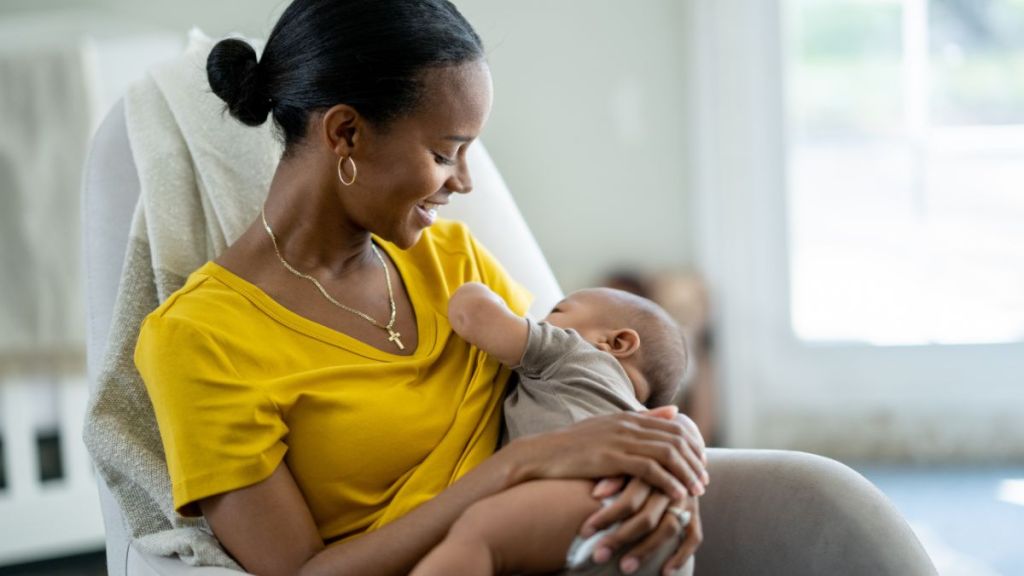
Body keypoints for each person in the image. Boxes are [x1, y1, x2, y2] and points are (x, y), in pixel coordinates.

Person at [134, 1, 708, 575]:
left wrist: (662, 458)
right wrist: (519, 468)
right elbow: (301, 571)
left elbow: (574, 385)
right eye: (443, 154)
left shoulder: (457, 263)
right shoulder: (199, 340)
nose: (463, 182)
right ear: (346, 132)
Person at [410, 283, 698, 576]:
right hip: (661, 528)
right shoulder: (639, 413)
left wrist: (473, 290)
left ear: (616, 343)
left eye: (556, 311)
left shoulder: (572, 351)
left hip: (585, 494)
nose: (538, 320)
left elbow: (472, 316)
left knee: (476, 536)